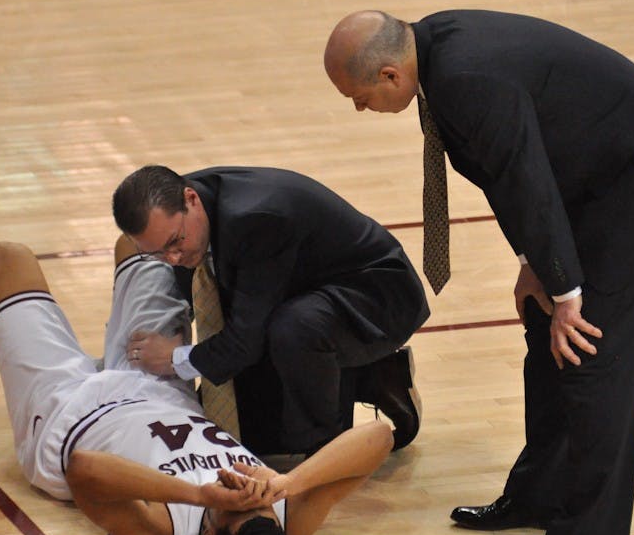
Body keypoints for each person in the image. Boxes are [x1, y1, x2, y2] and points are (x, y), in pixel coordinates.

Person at [324, 10, 634, 535]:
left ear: (390, 75)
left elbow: (523, 176)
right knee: (546, 328)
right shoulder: (433, 50)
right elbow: (507, 170)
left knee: (592, 350)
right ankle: (539, 493)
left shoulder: (464, 78)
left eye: (358, 96)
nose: (359, 109)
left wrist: (566, 288)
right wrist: (534, 265)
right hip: (591, 175)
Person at [0, 236, 395, 535]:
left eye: (237, 505)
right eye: (260, 505)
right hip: (159, 386)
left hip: (66, 414)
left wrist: (198, 494)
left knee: (7, 257)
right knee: (141, 243)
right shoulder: (286, 517)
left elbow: (83, 469)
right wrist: (287, 482)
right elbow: (380, 437)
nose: (247, 492)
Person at [111, 165, 430, 455]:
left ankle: (329, 449)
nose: (173, 258)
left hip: (376, 297)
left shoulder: (254, 219)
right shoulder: (178, 213)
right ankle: (367, 376)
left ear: (191, 198)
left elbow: (243, 344)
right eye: (157, 253)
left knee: (293, 331)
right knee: (255, 439)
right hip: (303, 294)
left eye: (175, 242)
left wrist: (175, 358)